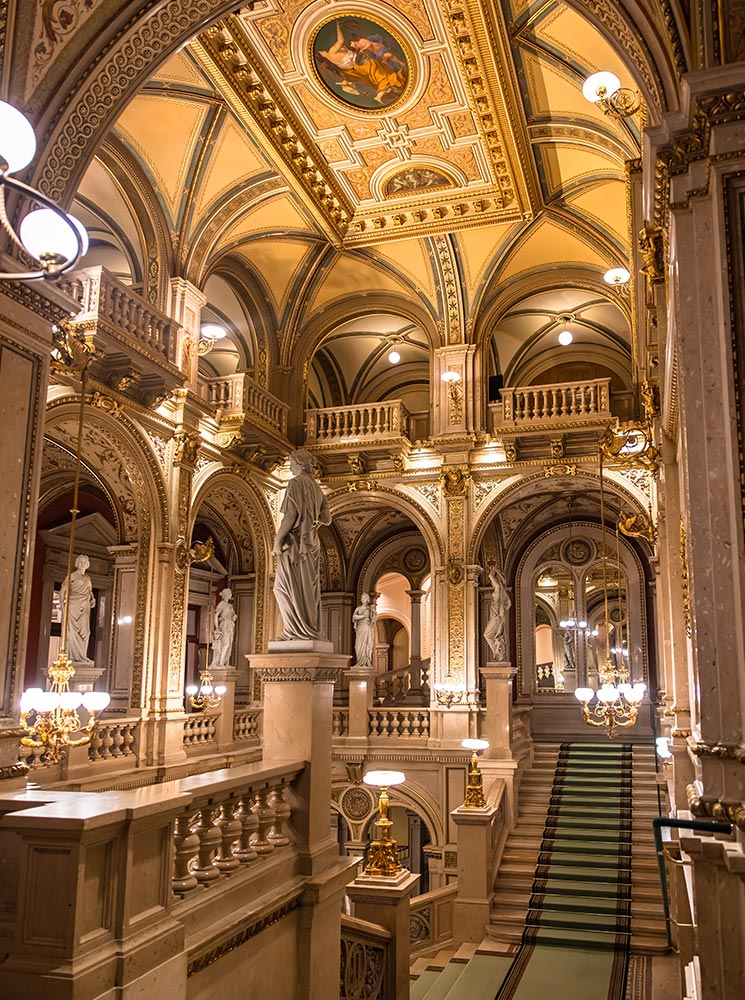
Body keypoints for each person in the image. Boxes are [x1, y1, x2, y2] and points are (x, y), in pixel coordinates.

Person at [272, 450, 332, 641]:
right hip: (311, 542)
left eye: (291, 463)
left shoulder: (295, 482)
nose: (290, 466)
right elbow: (327, 519)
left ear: (299, 464)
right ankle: (306, 630)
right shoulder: (317, 488)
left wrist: (277, 540)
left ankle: (294, 631)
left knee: (281, 588)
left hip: (295, 542)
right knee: (307, 587)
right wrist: (312, 521)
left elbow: (290, 515)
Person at [59, 553, 96, 663]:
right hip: (73, 606)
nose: (83, 564)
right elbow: (63, 591)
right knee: (72, 631)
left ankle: (82, 656)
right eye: (81, 562)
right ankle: (72, 657)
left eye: (85, 563)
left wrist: (92, 599)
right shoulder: (72, 576)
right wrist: (61, 605)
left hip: (85, 607)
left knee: (85, 632)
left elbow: (90, 591)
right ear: (77, 564)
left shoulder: (88, 577)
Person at [483, 567, 511, 661]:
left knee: (487, 634)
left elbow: (491, 576)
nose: (492, 583)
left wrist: (494, 570)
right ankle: (498, 653)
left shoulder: (498, 591)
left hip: (496, 618)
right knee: (494, 636)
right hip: (497, 617)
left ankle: (498, 653)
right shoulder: (498, 592)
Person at [211, 587, 236, 667]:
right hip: (224, 625)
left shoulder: (229, 605)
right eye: (229, 594)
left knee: (230, 644)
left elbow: (232, 616)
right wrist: (217, 627)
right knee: (226, 643)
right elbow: (216, 616)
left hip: (230, 625)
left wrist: (234, 617)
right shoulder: (221, 604)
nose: (231, 595)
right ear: (225, 595)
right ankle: (220, 662)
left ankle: (226, 662)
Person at [352, 593, 377, 668]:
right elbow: (354, 617)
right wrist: (362, 616)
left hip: (366, 627)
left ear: (367, 599)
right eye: (362, 598)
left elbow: (373, 618)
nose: (362, 599)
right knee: (358, 645)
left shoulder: (370, 609)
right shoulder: (358, 608)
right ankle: (359, 662)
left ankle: (366, 662)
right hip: (360, 628)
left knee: (366, 643)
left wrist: (373, 617)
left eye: (364, 598)